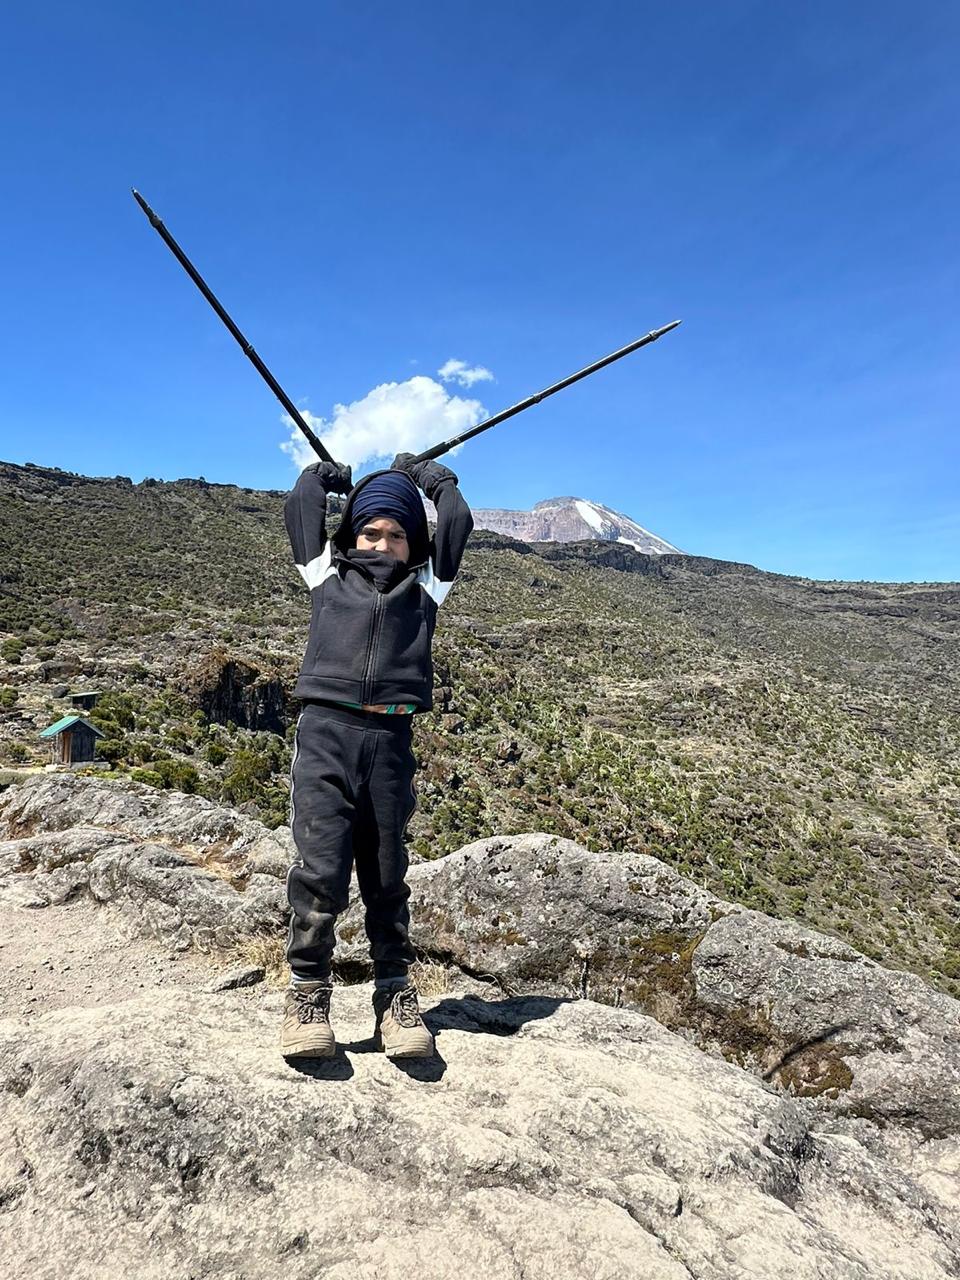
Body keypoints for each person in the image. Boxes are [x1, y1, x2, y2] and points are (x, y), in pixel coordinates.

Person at [280, 452, 474, 1059]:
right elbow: (299, 509)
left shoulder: (427, 589)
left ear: (411, 541)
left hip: (391, 744)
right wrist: (320, 477)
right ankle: (308, 995)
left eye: (396, 533)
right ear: (353, 532)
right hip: (326, 736)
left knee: (387, 876)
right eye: (371, 530)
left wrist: (431, 479)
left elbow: (458, 521)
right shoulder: (324, 574)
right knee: (321, 868)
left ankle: (395, 997)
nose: (383, 542)